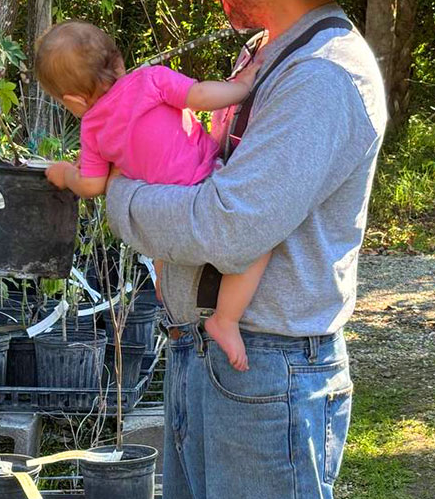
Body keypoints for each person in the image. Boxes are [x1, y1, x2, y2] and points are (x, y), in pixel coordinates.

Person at [106, 0, 387, 499]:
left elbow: (230, 227)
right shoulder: (270, 56)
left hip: (264, 369)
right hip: (223, 361)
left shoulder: (321, 77)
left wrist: (116, 196)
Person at [34, 19, 268, 369]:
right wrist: (243, 85)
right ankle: (227, 319)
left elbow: (93, 186)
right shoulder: (150, 80)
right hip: (201, 182)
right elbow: (202, 96)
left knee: (157, 238)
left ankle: (165, 283)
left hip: (158, 210)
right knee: (256, 241)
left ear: (72, 100)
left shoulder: (93, 126)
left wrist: (66, 173)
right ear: (118, 62)